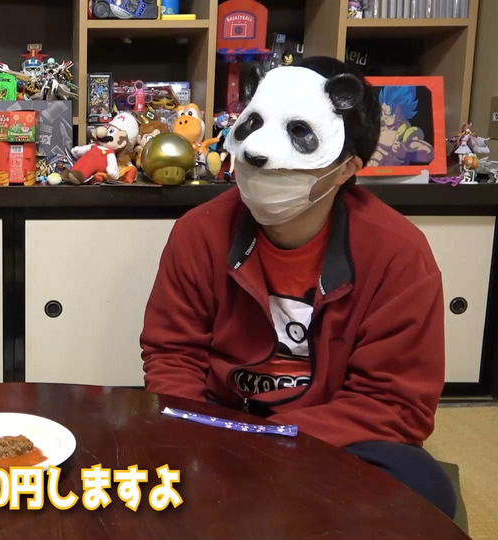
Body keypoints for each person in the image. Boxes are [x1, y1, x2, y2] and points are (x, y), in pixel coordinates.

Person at [140, 57, 456, 518]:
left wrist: (272, 444)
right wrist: (200, 436)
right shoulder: (200, 232)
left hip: (332, 436)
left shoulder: (398, 254)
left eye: (291, 163)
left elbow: (394, 403)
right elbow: (173, 354)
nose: (262, 162)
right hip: (222, 422)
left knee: (422, 489)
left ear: (346, 168)